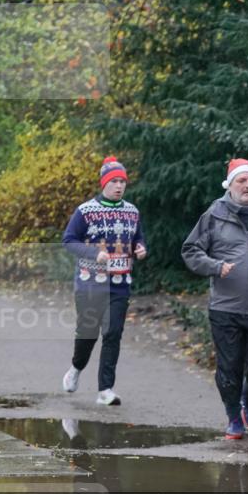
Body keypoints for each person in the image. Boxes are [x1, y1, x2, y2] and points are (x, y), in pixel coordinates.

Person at [182, 158, 248, 439]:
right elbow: (190, 250)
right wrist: (215, 266)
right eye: (243, 180)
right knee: (229, 368)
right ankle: (232, 417)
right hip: (226, 308)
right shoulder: (214, 214)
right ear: (231, 184)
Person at [61, 156, 148, 405]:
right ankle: (76, 368)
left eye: (122, 181)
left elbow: (138, 237)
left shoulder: (132, 211)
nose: (119, 186)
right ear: (104, 183)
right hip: (90, 282)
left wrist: (141, 248)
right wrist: (93, 253)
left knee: (113, 333)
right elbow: (69, 240)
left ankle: (105, 390)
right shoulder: (85, 211)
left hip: (120, 283)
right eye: (114, 181)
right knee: (88, 333)